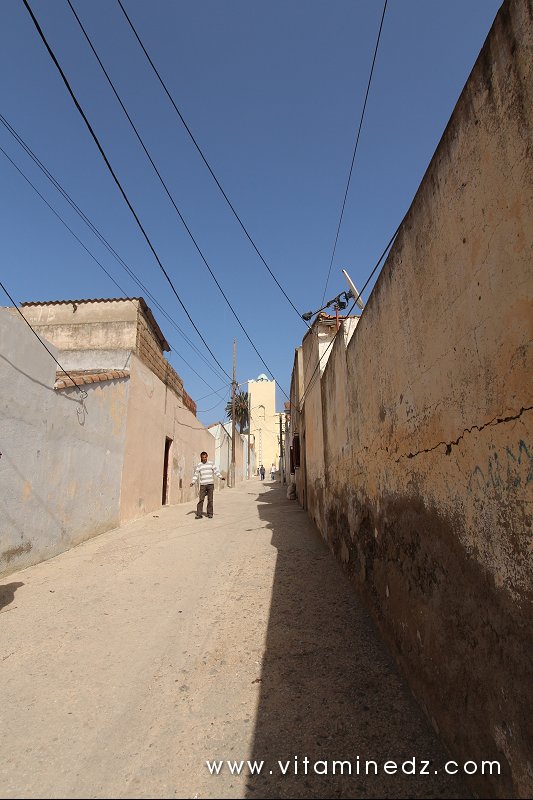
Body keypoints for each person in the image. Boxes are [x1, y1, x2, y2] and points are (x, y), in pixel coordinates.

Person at [190, 451, 225, 518]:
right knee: (201, 499)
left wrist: (221, 477)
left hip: (210, 485)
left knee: (210, 499)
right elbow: (196, 474)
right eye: (203, 457)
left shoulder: (211, 464)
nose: (204, 459)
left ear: (207, 457)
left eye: (205, 457)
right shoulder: (199, 465)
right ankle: (199, 514)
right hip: (203, 485)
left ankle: (210, 514)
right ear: (201, 458)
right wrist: (193, 482)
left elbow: (216, 471)